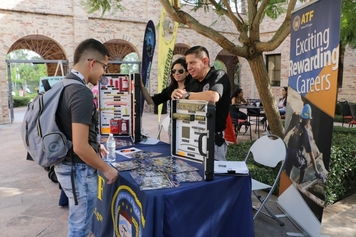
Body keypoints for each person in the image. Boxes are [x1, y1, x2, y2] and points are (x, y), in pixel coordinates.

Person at [54, 38, 119, 236]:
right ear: (92, 63)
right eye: (104, 67)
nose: (104, 73)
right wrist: (106, 169)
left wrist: (94, 144)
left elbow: (68, 129)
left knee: (77, 221)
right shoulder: (81, 92)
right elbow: (80, 147)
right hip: (78, 171)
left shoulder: (64, 85)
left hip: (66, 166)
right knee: (80, 227)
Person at [172, 46, 231, 161]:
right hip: (192, 137)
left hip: (213, 140)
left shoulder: (219, 75)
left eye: (192, 63)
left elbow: (213, 96)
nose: (189, 68)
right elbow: (183, 100)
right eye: (187, 64)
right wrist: (176, 94)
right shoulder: (192, 82)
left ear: (205, 61)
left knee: (213, 176)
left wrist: (187, 95)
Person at [285, 104, 327, 184]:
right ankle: (300, 184)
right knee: (304, 164)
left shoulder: (297, 125)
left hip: (288, 152)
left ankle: (287, 180)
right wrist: (316, 171)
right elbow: (311, 154)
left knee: (288, 168)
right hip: (294, 154)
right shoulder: (305, 132)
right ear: (308, 120)